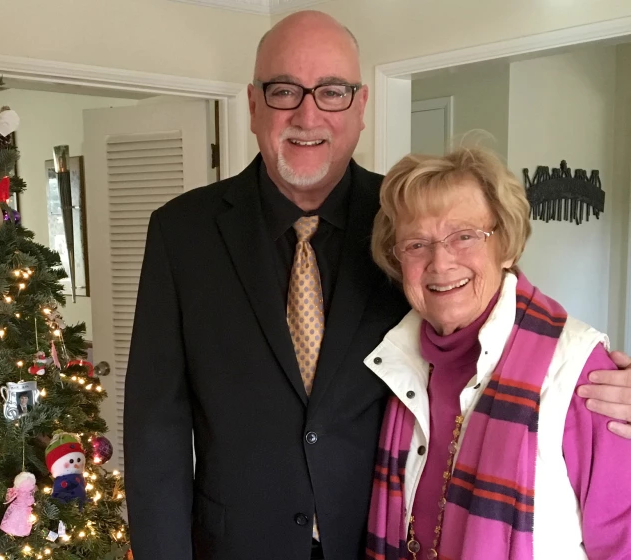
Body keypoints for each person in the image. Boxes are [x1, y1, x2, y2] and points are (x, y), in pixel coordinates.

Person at [123, 10, 631, 560]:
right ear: (252, 104)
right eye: (284, 90)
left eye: (333, 91)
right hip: (237, 543)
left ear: (361, 107)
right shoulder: (182, 232)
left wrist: (594, 382)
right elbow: (157, 429)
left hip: (376, 540)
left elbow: (495, 323)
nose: (308, 114)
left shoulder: (407, 222)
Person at [365, 148, 631, 560]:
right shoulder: (398, 360)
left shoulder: (582, 370)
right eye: (417, 244)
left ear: (505, 244)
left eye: (464, 236)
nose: (440, 261)